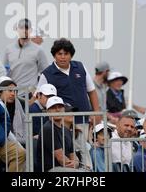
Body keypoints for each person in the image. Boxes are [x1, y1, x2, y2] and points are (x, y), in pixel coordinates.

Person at [38, 38, 101, 169]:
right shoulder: (47, 74)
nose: (62, 57)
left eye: (66, 53)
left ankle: (86, 172)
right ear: (54, 55)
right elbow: (40, 97)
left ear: (71, 55)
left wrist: (96, 113)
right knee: (73, 151)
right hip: (63, 122)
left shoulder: (80, 67)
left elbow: (92, 91)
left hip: (83, 119)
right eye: (59, 54)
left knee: (84, 149)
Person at [4, 18, 49, 97]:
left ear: (31, 30)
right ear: (17, 30)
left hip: (30, 95)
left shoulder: (38, 50)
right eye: (21, 28)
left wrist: (38, 91)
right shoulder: (8, 49)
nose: (24, 30)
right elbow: (5, 73)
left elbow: (45, 73)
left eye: (27, 28)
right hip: (13, 94)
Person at [36, 96, 79, 172]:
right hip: (52, 169)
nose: (57, 110)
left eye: (60, 107)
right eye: (53, 108)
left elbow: (73, 155)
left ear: (64, 110)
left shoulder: (66, 130)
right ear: (47, 111)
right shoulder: (48, 128)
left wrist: (76, 162)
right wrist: (74, 164)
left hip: (65, 168)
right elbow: (61, 160)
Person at [0, 76, 26, 146]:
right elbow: (7, 132)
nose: (13, 94)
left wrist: (28, 137)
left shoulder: (16, 102)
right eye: (10, 90)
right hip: (5, 142)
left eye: (15, 91)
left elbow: (24, 120)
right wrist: (19, 145)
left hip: (20, 139)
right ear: (0, 92)